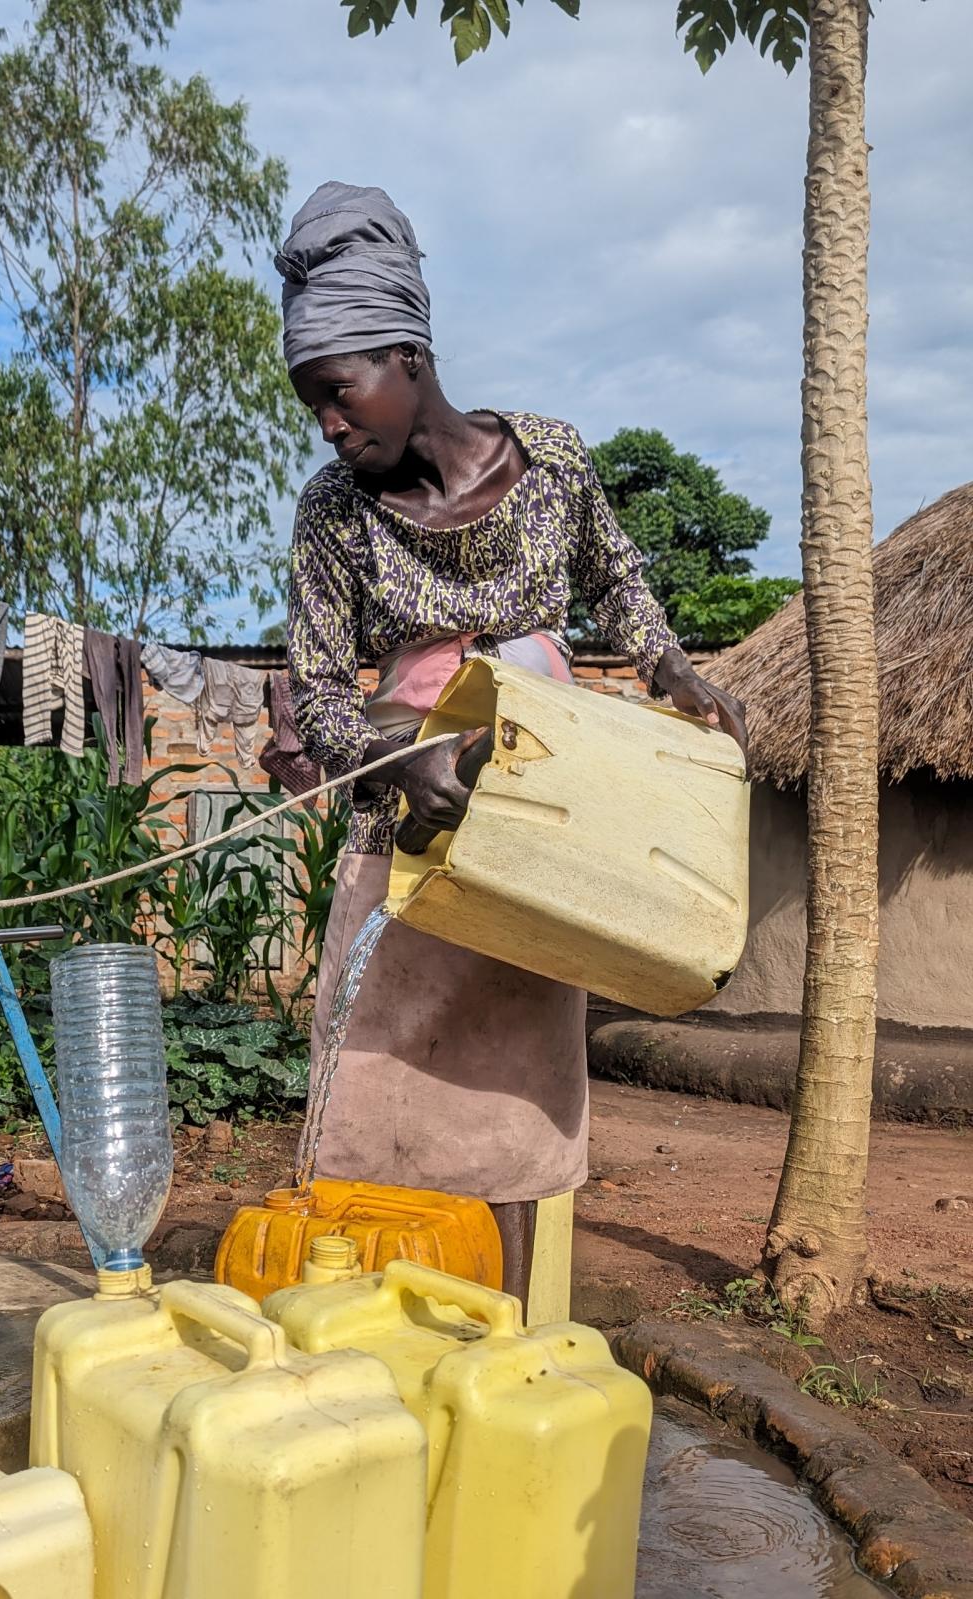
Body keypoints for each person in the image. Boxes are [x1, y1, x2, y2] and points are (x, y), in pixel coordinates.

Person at [281, 181, 747, 1302]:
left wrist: (670, 665)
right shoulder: (330, 516)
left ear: (405, 355)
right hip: (408, 813)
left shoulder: (548, 461)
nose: (331, 427)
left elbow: (614, 577)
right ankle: (372, 1325)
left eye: (340, 394)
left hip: (548, 807)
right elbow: (313, 697)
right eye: (313, 408)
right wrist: (399, 758)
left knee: (515, 1083)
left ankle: (504, 1339)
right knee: (375, 1073)